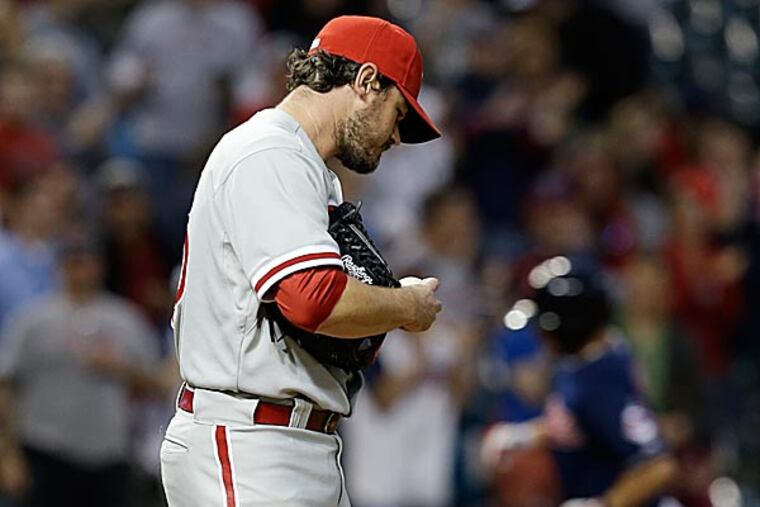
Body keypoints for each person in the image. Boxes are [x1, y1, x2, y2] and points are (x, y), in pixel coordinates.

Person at [160, 15, 443, 507]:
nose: (397, 137)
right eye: (399, 114)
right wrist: (404, 307)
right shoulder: (268, 151)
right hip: (250, 441)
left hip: (293, 443)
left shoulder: (303, 166)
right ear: (367, 81)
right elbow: (311, 299)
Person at [481, 257, 678, 507]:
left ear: (570, 324)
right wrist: (525, 435)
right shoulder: (579, 364)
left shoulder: (603, 375)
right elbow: (578, 424)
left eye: (545, 327)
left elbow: (658, 466)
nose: (541, 336)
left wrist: (605, 504)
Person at [0, 232, 162, 506]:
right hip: (44, 450)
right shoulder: (32, 320)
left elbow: (157, 383)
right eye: (72, 262)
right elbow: (6, 385)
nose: (80, 270)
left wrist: (119, 368)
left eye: (86, 262)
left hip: (109, 453)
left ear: (99, 266)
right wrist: (7, 452)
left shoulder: (125, 319)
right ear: (60, 267)